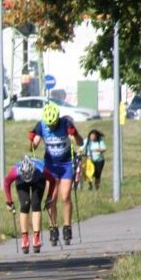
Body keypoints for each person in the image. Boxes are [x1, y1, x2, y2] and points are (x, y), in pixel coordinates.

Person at [28, 102, 84, 246]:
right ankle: (53, 227)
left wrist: (75, 134)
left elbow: (80, 142)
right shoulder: (42, 125)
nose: (51, 127)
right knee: (51, 198)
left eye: (53, 124)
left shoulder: (66, 123)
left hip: (65, 164)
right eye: (49, 125)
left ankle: (67, 227)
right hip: (51, 165)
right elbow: (33, 146)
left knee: (65, 196)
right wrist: (31, 140)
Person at [4, 155, 51, 253]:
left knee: (36, 204)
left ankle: (36, 237)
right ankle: (24, 238)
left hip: (38, 179)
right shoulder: (16, 171)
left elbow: (53, 181)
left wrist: (49, 198)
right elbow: (7, 183)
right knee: (25, 204)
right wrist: (9, 202)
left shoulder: (41, 170)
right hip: (21, 180)